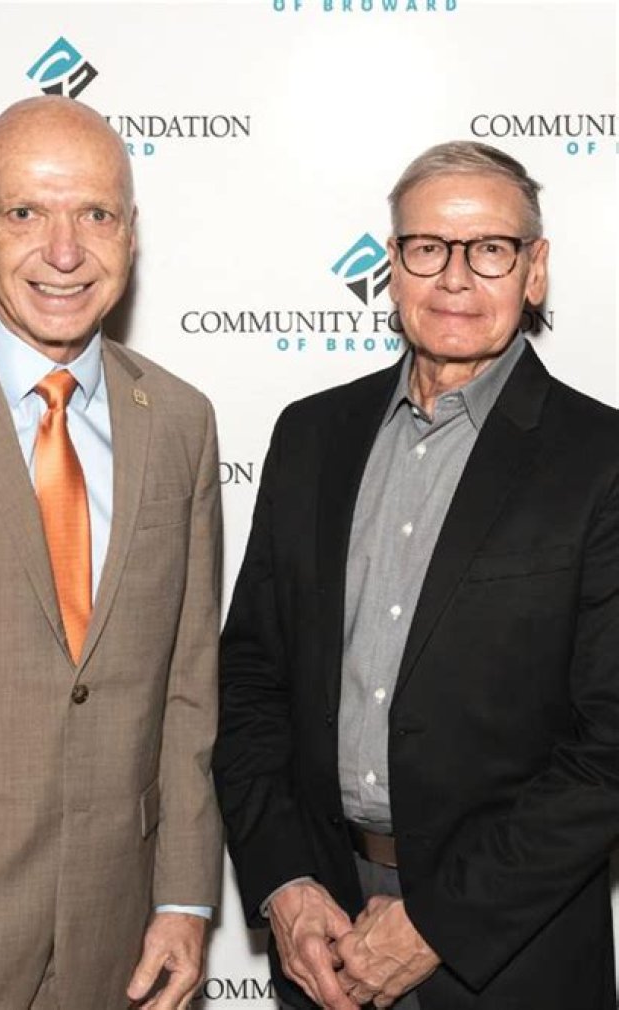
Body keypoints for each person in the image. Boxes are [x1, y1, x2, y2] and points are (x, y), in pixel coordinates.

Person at [213, 141, 619, 1009]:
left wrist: (439, 921)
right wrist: (285, 881)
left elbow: (610, 748)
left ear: (536, 270)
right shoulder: (310, 437)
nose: (456, 278)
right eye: (429, 248)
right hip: (322, 933)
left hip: (513, 949)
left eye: (491, 249)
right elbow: (251, 679)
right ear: (392, 267)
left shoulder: (601, 461)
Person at [0, 96, 222, 1010]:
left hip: (116, 945)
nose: (65, 251)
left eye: (96, 214)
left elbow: (188, 688)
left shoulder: (181, 422)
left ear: (131, 232)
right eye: (25, 212)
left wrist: (184, 900)